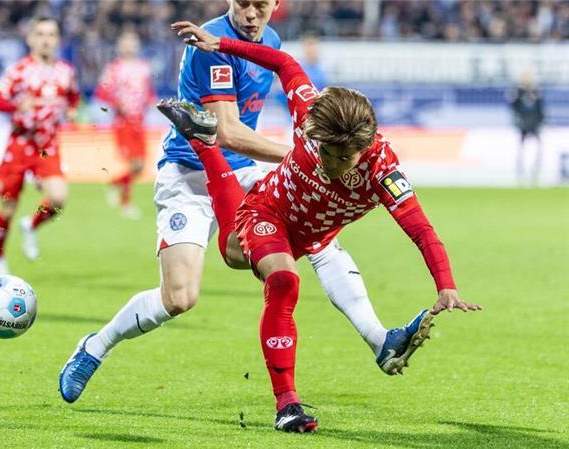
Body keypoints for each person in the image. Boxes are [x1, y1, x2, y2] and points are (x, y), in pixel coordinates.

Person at [60, 0, 430, 415]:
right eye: (242, 3)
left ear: (276, 5)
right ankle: (95, 346)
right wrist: (305, 155)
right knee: (179, 297)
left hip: (246, 173)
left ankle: (380, 340)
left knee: (317, 236)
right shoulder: (209, 45)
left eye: (261, 5)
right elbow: (229, 133)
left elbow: (284, 69)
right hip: (189, 173)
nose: (251, 14)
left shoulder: (268, 40)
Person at [156, 21, 483, 432]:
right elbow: (282, 60)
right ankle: (287, 404)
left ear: (363, 149)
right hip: (266, 213)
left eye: (341, 157)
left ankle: (381, 341)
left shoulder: (383, 171)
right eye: (325, 151)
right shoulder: (311, 113)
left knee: (316, 256)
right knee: (279, 279)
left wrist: (446, 284)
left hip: (312, 234)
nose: (329, 162)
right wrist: (218, 43)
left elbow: (421, 229)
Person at [0, 17, 79, 275]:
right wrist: (16, 106)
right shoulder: (19, 71)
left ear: (57, 39)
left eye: (51, 34)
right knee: (7, 207)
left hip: (47, 144)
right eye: (40, 34)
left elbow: (74, 95)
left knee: (59, 198)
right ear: (30, 39)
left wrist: (72, 111)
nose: (46, 39)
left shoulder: (65, 71)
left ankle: (32, 224)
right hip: (20, 142)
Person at [95, 29, 155, 219]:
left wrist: (152, 100)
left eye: (133, 41)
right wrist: (116, 103)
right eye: (126, 41)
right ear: (120, 46)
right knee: (134, 163)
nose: (130, 45)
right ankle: (126, 203)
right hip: (123, 122)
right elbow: (101, 92)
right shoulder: (114, 68)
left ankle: (115, 183)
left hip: (140, 121)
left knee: (140, 166)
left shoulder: (144, 67)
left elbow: (148, 92)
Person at [509, 73, 545, 186]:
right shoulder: (519, 94)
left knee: (537, 150)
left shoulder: (536, 95)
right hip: (525, 125)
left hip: (533, 125)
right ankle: (521, 172)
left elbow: (541, 110)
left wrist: (540, 122)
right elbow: (514, 107)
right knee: (522, 150)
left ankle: (535, 172)